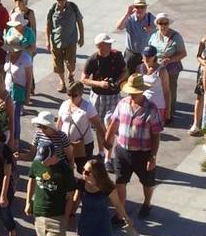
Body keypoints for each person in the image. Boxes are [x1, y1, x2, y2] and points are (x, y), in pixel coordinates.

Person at [106, 74, 163, 222]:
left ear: (142, 92)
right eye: (130, 92)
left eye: (134, 93)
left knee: (147, 182)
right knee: (120, 181)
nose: (132, 96)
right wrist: (108, 139)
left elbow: (156, 134)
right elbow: (114, 122)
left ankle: (147, 203)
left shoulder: (151, 109)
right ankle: (120, 212)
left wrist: (153, 156)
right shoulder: (123, 103)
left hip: (143, 153)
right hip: (122, 150)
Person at [81, 33, 127, 171]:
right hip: (98, 96)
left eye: (110, 44)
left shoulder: (117, 56)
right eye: (107, 44)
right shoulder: (93, 60)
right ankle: (101, 152)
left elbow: (125, 71)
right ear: (100, 46)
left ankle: (108, 157)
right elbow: (83, 79)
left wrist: (117, 81)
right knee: (99, 125)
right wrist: (99, 84)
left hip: (113, 96)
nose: (110, 46)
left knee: (109, 123)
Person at [57, 82, 105, 175]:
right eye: (69, 94)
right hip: (65, 144)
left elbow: (99, 125)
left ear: (81, 94)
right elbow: (59, 123)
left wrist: (105, 141)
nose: (71, 97)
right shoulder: (64, 104)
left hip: (83, 146)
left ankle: (86, 188)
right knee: (65, 170)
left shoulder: (87, 106)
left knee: (84, 171)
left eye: (74, 95)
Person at [147, 12, 186, 123]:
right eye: (160, 23)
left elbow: (183, 53)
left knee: (169, 91)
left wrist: (171, 60)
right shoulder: (154, 35)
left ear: (169, 24)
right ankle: (158, 112)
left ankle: (169, 114)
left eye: (165, 23)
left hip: (171, 68)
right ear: (157, 24)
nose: (163, 26)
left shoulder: (176, 36)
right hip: (156, 67)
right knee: (157, 90)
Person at [46, 0, 84, 93]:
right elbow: (48, 25)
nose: (60, 2)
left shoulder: (73, 7)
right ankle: (62, 82)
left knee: (71, 63)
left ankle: (70, 74)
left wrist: (82, 37)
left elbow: (80, 22)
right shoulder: (52, 9)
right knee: (58, 64)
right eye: (58, 0)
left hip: (71, 40)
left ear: (66, 0)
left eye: (62, 0)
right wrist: (47, 41)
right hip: (56, 40)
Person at [3, 37, 32, 146]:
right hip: (7, 89)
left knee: (14, 117)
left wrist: (27, 96)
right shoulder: (7, 56)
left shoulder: (26, 59)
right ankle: (8, 137)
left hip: (18, 91)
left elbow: (29, 79)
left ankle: (16, 140)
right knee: (6, 115)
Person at [115, 0, 156, 75]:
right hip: (131, 54)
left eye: (142, 7)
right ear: (134, 8)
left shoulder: (151, 18)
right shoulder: (130, 18)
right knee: (127, 76)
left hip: (145, 55)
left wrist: (152, 29)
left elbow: (161, 29)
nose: (140, 9)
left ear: (146, 8)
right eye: (137, 7)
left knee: (144, 77)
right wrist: (127, 14)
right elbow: (119, 27)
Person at [137, 45, 171, 123]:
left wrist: (168, 111)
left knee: (155, 132)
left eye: (150, 56)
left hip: (158, 105)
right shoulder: (139, 68)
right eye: (145, 55)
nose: (147, 58)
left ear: (154, 56)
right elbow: (137, 88)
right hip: (143, 105)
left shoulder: (162, 70)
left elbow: (166, 91)